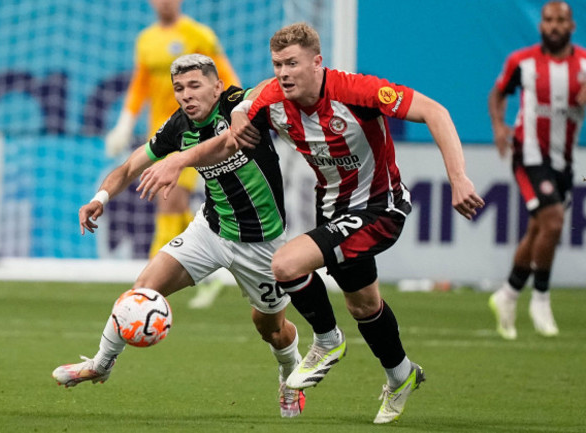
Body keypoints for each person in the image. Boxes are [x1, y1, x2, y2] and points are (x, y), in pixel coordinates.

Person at [142, 23, 485, 424]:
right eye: (277, 65)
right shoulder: (272, 98)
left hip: (378, 206)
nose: (283, 73)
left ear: (317, 62)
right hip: (333, 208)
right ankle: (402, 375)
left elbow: (435, 112)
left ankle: (326, 340)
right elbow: (238, 120)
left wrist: (458, 178)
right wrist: (222, 124)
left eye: (292, 63)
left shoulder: (357, 90)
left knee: (286, 264)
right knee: (364, 305)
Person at [53, 54, 306, 418]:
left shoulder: (240, 107)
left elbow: (231, 141)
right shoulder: (177, 127)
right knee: (141, 289)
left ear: (217, 86)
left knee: (271, 328)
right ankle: (100, 363)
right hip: (211, 230)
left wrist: (180, 160)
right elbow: (128, 167)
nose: (186, 95)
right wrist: (99, 197)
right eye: (178, 89)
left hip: (262, 244)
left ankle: (289, 375)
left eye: (195, 85)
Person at [488, 1, 586, 340]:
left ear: (571, 26)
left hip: (564, 162)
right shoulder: (522, 61)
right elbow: (498, 94)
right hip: (528, 154)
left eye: (561, 20)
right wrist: (499, 126)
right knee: (554, 221)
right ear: (541, 26)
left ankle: (508, 294)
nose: (554, 26)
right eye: (548, 20)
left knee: (540, 229)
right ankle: (540, 298)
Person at [106, 0, 241, 308]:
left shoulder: (198, 34)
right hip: (164, 136)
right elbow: (140, 85)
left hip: (199, 133)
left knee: (170, 198)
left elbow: (227, 78)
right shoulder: (146, 40)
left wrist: (237, 114)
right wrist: (124, 124)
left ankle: (151, 283)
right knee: (169, 200)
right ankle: (208, 274)